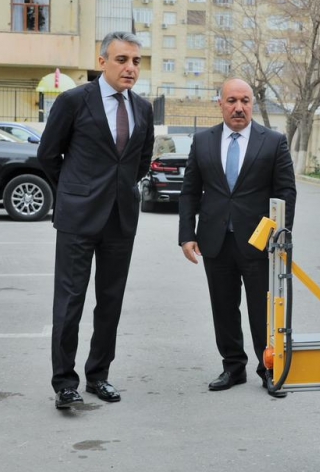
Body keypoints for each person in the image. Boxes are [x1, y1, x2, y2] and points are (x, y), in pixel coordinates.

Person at [38, 32, 155, 410]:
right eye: (122, 60)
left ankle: (98, 375)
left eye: (135, 61)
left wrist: (120, 190)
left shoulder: (143, 109)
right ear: (102, 61)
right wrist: (75, 191)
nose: (130, 68)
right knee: (69, 301)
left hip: (121, 218)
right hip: (78, 218)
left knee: (110, 301)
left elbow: (140, 161)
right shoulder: (74, 101)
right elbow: (48, 154)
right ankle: (64, 382)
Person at [178, 78, 297, 392]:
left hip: (259, 243)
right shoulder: (202, 141)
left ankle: (268, 368)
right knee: (223, 308)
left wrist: (280, 238)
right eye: (232, 101)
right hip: (215, 242)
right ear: (220, 104)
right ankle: (233, 368)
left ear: (253, 104)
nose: (239, 107)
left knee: (262, 311)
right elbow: (190, 192)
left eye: (245, 101)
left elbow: (286, 192)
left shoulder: (273, 141)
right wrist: (187, 234)